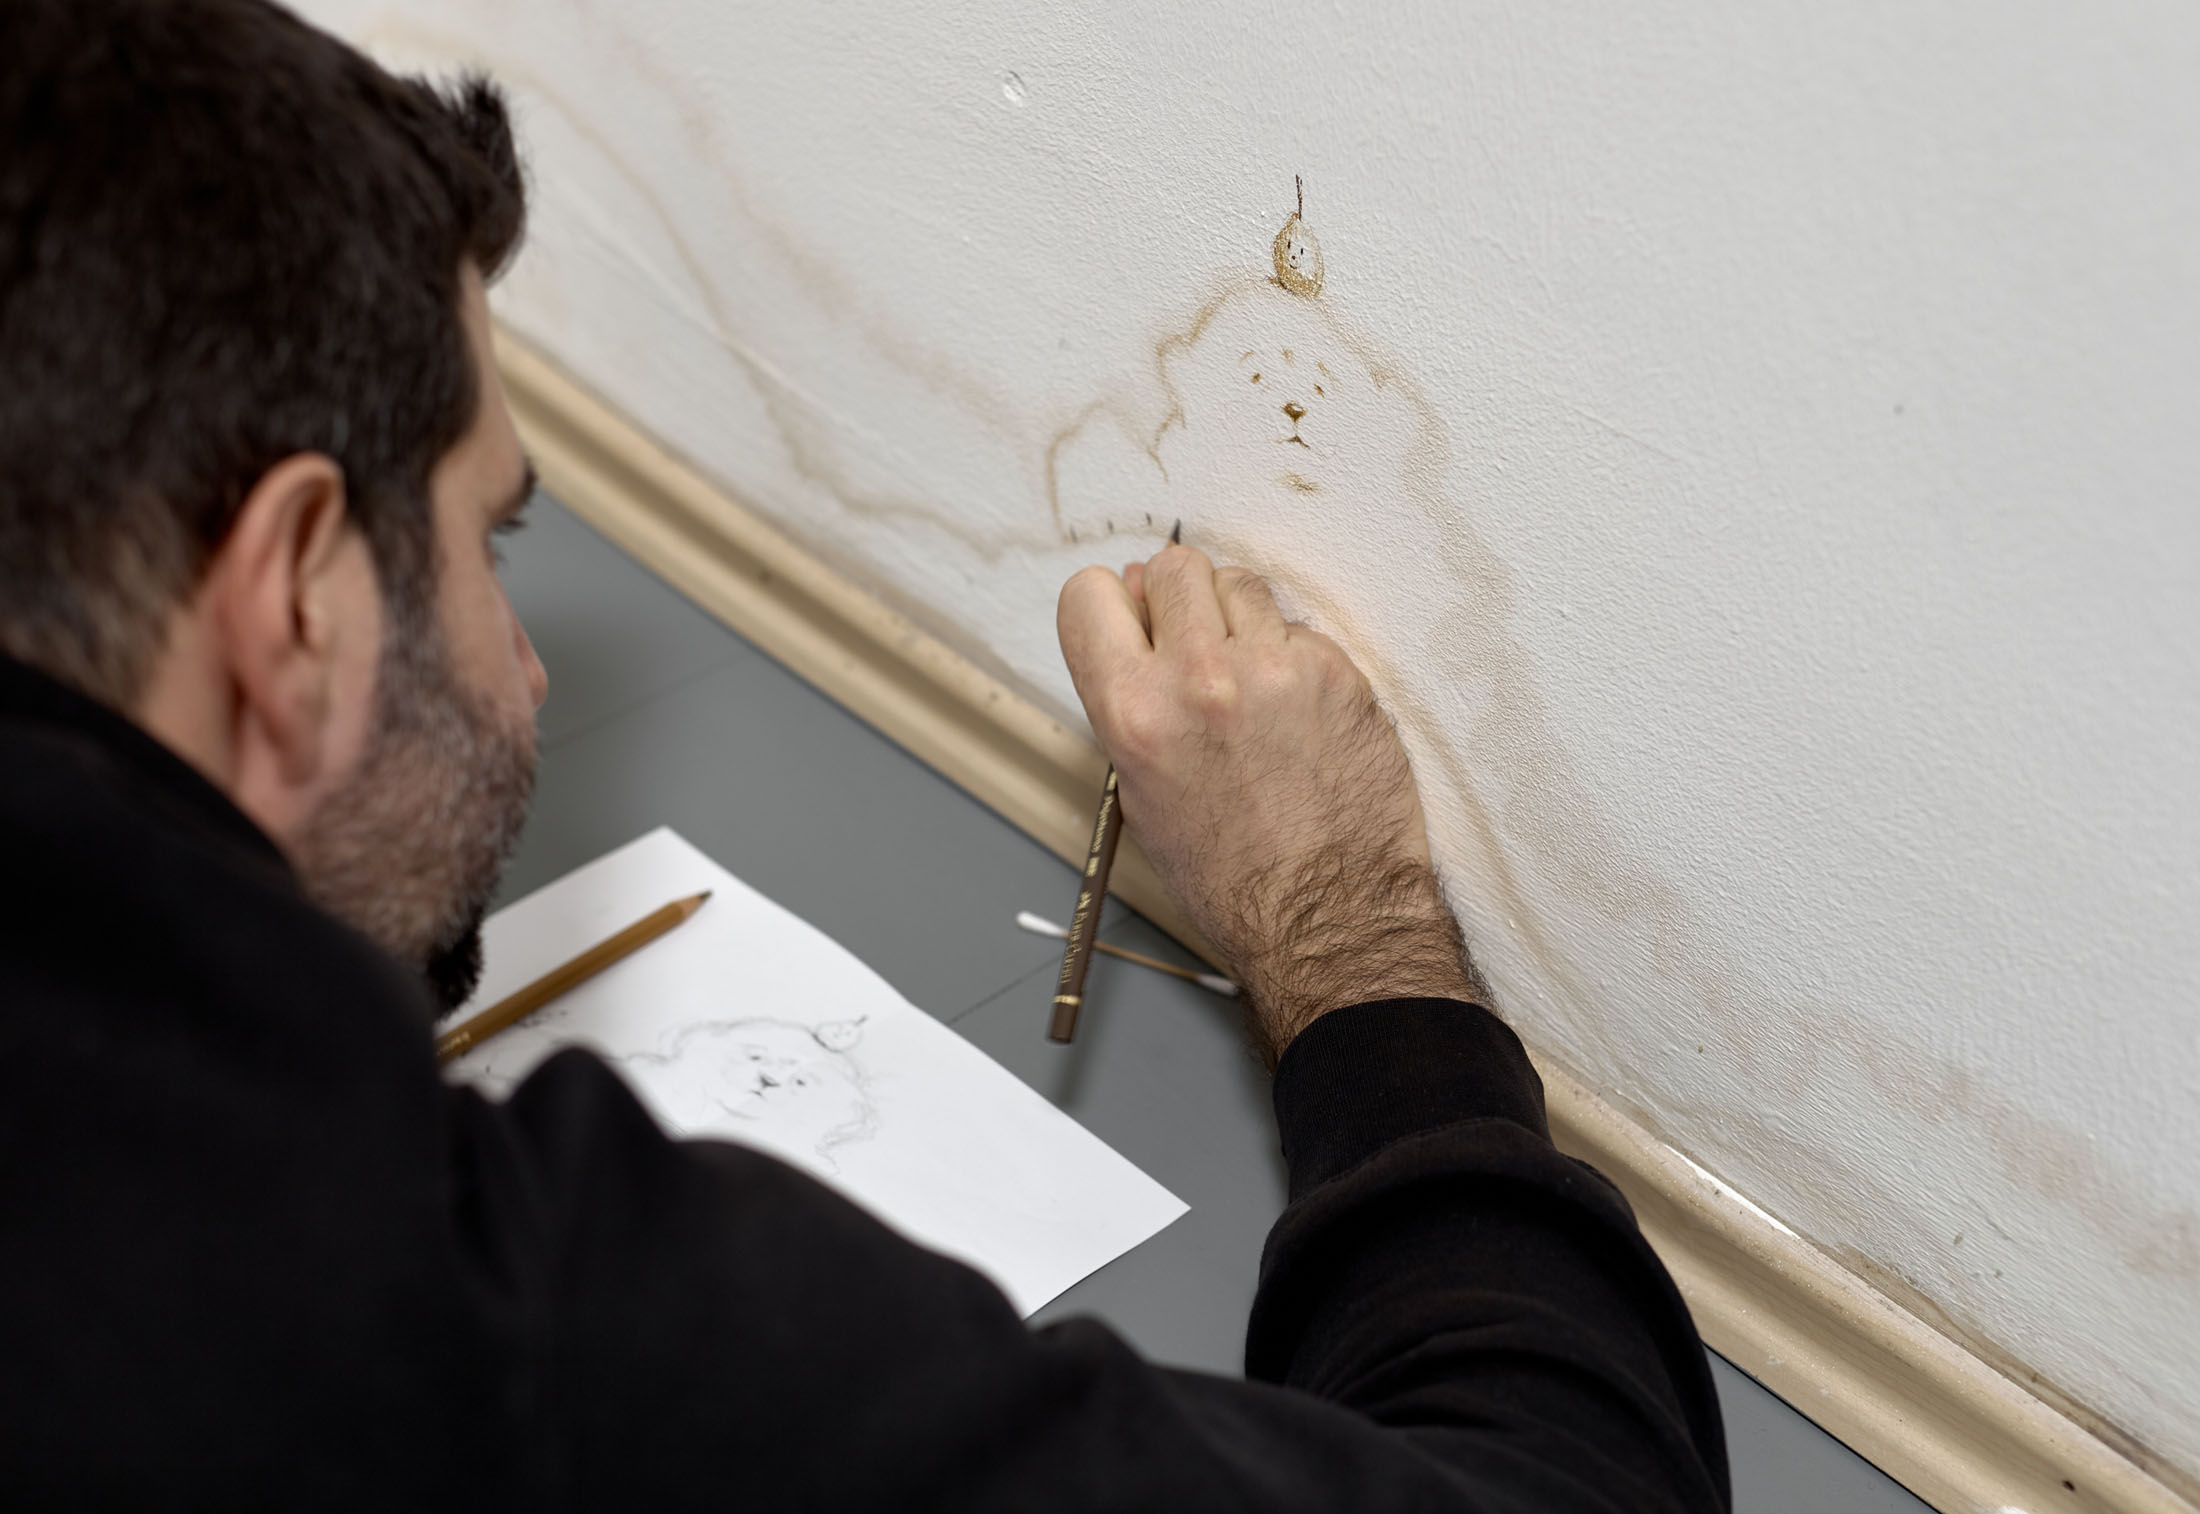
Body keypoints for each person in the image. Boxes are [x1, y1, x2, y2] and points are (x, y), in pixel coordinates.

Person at [0, 1, 1729, 1508]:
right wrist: (1351, 938)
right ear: (295, 601)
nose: (526, 670)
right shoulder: (468, 1322)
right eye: (489, 540)